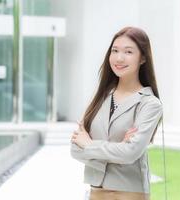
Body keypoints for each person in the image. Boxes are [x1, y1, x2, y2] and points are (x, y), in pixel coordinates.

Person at [70, 26, 163, 200]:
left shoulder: (149, 103)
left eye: (128, 52)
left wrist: (89, 145)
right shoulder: (101, 98)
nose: (119, 58)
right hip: (95, 192)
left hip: (129, 193)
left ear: (142, 58)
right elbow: (75, 149)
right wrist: (118, 149)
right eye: (115, 50)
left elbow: (130, 153)